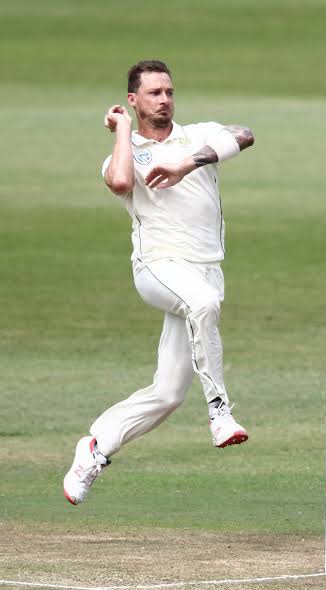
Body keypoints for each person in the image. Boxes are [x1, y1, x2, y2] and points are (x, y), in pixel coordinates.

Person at [63, 60, 254, 505]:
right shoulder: (123, 153)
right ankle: (220, 413)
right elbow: (120, 182)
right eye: (153, 93)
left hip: (206, 269)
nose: (164, 99)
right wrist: (123, 130)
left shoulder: (197, 135)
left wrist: (187, 163)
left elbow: (244, 134)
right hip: (157, 267)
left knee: (168, 393)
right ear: (133, 99)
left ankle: (96, 447)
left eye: (169, 91)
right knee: (202, 303)